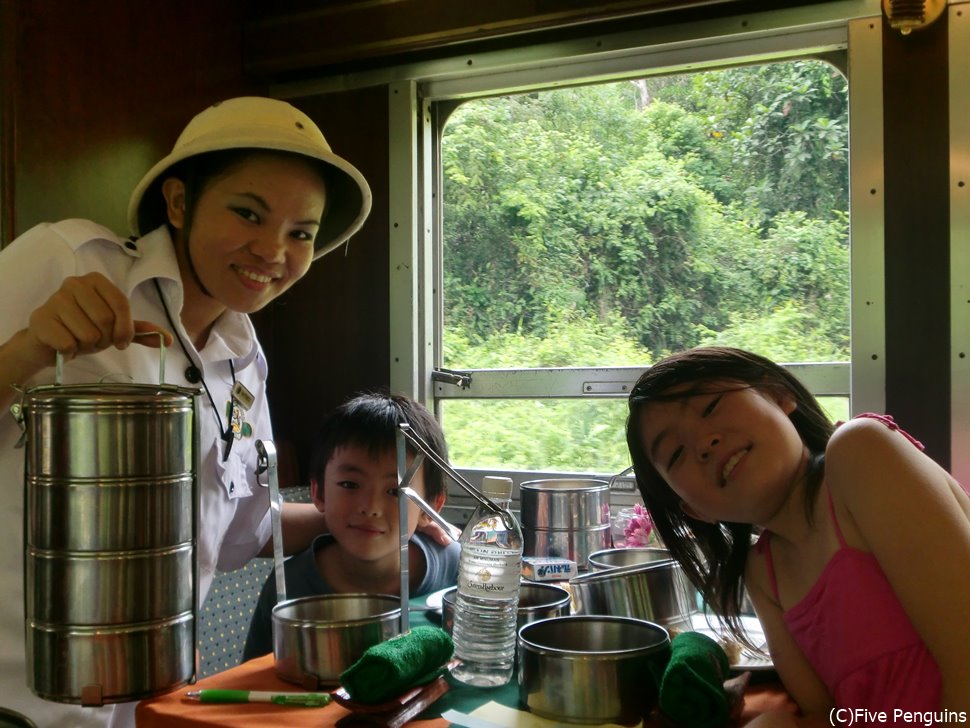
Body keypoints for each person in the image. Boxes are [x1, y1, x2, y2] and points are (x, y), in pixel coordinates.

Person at [0, 97, 373, 727]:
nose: (272, 251)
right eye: (247, 213)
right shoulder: (70, 261)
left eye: (300, 234)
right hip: (18, 695)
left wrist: (379, 514)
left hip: (146, 697)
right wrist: (28, 350)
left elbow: (243, 535)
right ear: (177, 202)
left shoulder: (243, 360)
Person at [625, 346, 970, 726]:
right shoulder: (763, 574)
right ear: (695, 510)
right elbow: (828, 714)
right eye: (675, 454)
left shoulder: (861, 452)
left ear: (778, 395)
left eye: (710, 407)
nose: (704, 443)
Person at [242, 392, 460, 659]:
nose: (370, 507)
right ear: (318, 493)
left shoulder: (459, 569)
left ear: (431, 508)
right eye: (350, 485)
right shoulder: (289, 585)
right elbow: (255, 681)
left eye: (395, 492)